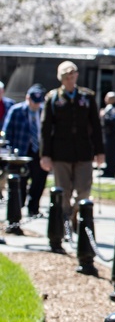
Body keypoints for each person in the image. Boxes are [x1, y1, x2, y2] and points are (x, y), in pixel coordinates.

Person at [40, 61, 105, 244]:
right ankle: (64, 224)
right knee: (64, 193)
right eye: (66, 77)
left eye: (73, 75)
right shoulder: (53, 98)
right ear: (61, 79)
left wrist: (100, 151)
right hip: (60, 153)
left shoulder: (87, 97)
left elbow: (96, 126)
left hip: (83, 152)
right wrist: (45, 155)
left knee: (84, 191)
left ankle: (74, 217)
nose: (70, 79)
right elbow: (45, 128)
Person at [2, 84, 47, 220]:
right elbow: (7, 132)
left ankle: (34, 208)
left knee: (39, 181)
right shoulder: (16, 110)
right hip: (21, 151)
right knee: (20, 181)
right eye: (34, 101)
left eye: (39, 102)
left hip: (38, 152)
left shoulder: (44, 112)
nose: (36, 105)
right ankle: (17, 210)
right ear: (28, 98)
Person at [100, 91, 115, 178]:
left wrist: (103, 116)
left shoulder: (113, 108)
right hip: (109, 135)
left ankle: (110, 171)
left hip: (112, 135)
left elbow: (113, 120)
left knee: (111, 154)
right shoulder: (110, 107)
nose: (105, 99)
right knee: (108, 154)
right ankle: (108, 169)